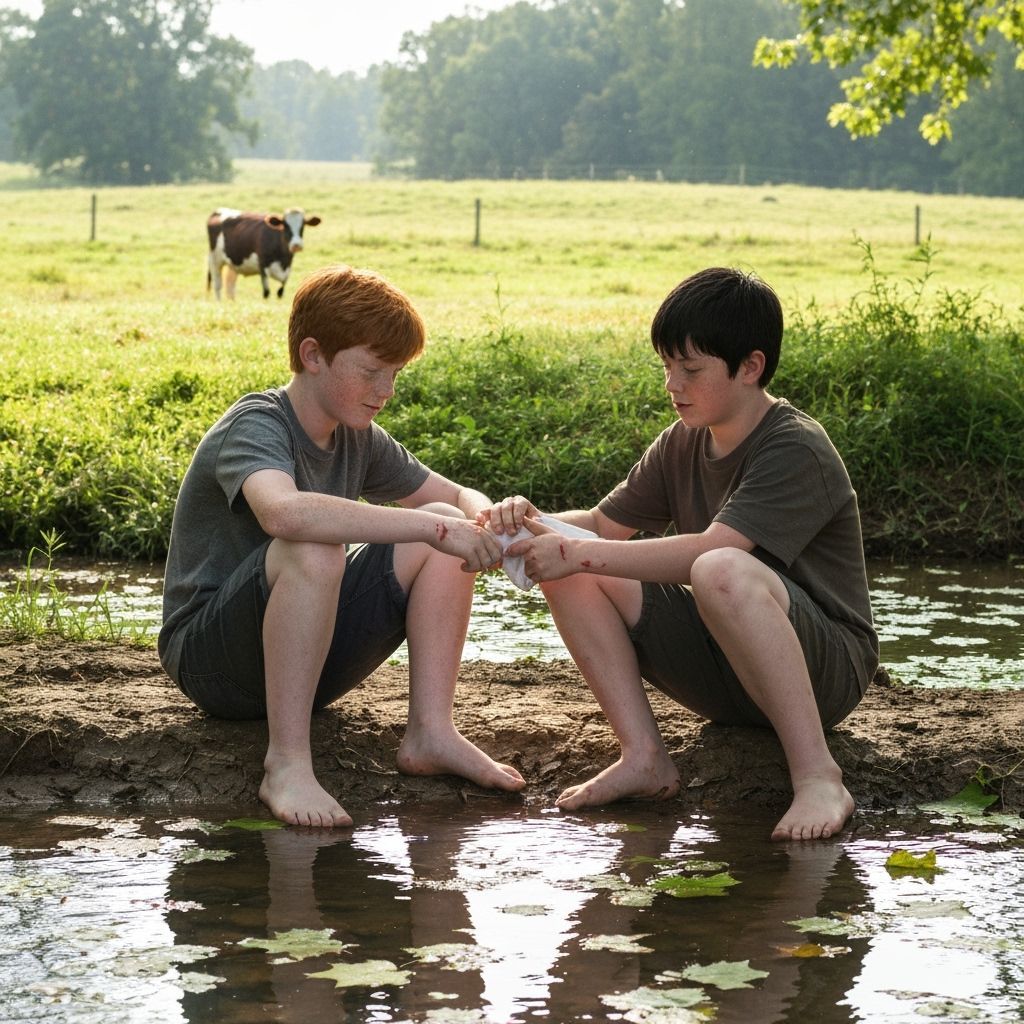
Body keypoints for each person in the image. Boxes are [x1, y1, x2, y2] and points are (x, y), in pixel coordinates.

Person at [482, 266, 878, 841]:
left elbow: (715, 551)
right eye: (666, 366)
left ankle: (819, 777)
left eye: (690, 370)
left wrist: (576, 551)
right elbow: (601, 526)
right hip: (725, 667)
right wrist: (517, 526)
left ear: (751, 367)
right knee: (569, 562)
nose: (672, 384)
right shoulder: (681, 440)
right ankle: (644, 757)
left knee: (718, 568)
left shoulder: (796, 447)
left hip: (824, 674)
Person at [159, 264, 524, 828]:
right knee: (316, 543)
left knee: (444, 520)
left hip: (306, 663)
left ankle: (431, 732)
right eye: (372, 371)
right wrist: (432, 529)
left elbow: (453, 496)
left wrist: (486, 517)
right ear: (313, 355)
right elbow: (283, 512)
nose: (386, 391)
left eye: (395, 374)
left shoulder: (358, 435)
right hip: (214, 666)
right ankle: (286, 764)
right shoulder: (256, 423)